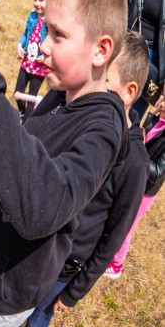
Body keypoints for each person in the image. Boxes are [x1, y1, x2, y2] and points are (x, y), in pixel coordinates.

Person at [0, 0, 127, 326]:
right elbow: (28, 150)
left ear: (101, 50)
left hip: (5, 293)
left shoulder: (103, 132)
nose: (42, 44)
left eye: (58, 35)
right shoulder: (59, 95)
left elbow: (41, 205)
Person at [27, 32, 149, 326]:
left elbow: (114, 235)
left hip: (64, 266)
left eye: (103, 80)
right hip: (35, 244)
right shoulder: (74, 116)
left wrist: (75, 292)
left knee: (36, 319)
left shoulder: (135, 164)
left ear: (129, 92)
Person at [105, 100, 165, 279]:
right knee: (118, 215)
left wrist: (138, 157)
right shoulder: (156, 118)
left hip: (146, 189)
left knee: (127, 224)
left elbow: (158, 172)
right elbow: (143, 137)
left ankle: (117, 264)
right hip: (135, 177)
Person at [14, 0, 52, 119]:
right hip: (26, 63)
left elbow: (52, 42)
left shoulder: (50, 21)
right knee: (17, 93)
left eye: (41, 0)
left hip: (39, 67)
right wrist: (19, 45)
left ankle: (25, 125)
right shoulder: (32, 16)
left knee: (31, 97)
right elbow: (25, 35)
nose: (37, 3)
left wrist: (46, 56)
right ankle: (22, 113)